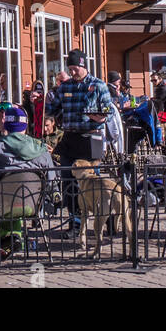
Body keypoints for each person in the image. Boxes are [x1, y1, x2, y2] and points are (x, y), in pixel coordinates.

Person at [0, 106, 55, 251]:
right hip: (32, 205)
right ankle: (12, 238)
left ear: (5, 125)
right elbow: (52, 180)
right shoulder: (41, 150)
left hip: (0, 205)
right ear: (26, 125)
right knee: (5, 201)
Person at [51, 49, 116, 233]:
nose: (72, 73)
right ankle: (75, 222)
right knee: (68, 182)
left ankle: (100, 221)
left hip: (91, 137)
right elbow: (53, 108)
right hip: (70, 137)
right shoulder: (65, 87)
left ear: (83, 65)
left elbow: (108, 112)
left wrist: (98, 117)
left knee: (90, 183)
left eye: (75, 69)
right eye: (69, 69)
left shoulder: (98, 85)